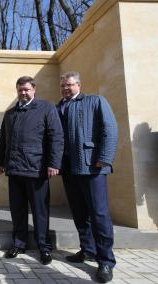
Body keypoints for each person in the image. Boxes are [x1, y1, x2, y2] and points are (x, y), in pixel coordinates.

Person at [0, 76, 64, 265]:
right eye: (20, 90)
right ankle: (19, 243)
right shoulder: (10, 114)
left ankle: (44, 247)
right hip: (15, 169)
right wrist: (0, 162)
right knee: (17, 210)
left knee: (40, 211)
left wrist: (54, 163)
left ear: (33, 89)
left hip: (37, 170)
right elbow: (3, 141)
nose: (23, 93)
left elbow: (56, 136)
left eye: (26, 89)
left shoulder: (46, 108)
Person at [57, 71, 118, 283]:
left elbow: (110, 129)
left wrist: (105, 157)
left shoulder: (96, 101)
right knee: (79, 213)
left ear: (79, 85)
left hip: (92, 167)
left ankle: (106, 261)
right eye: (63, 85)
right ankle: (88, 249)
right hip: (69, 169)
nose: (66, 88)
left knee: (99, 214)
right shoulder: (58, 107)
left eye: (69, 85)